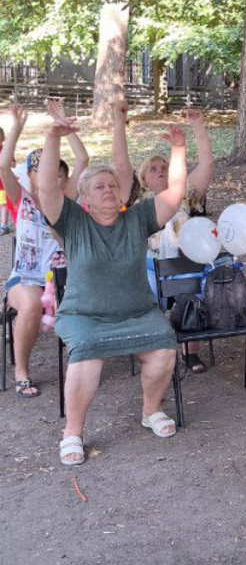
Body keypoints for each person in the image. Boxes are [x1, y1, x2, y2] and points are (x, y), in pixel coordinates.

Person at [37, 115, 188, 466]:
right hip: (84, 316)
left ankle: (151, 411)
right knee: (87, 355)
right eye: (99, 187)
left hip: (137, 313)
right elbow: (46, 190)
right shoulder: (73, 221)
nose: (108, 190)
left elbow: (175, 193)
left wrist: (178, 148)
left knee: (164, 348)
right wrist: (52, 137)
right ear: (84, 198)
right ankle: (72, 432)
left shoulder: (137, 218)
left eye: (112, 185)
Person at [112, 102, 215, 373]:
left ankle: (190, 352)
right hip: (149, 267)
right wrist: (119, 123)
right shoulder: (136, 200)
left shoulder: (185, 196)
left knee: (194, 287)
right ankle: (157, 352)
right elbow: (122, 165)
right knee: (144, 296)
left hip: (182, 264)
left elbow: (206, 163)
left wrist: (198, 126)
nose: (160, 171)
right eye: (153, 168)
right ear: (144, 178)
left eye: (164, 167)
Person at [0, 102, 89, 398]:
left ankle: (87, 364)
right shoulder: (20, 200)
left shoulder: (68, 200)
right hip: (25, 278)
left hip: (65, 280)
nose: (47, 172)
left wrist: (64, 125)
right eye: (37, 167)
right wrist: (16, 127)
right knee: (30, 303)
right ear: (30, 175)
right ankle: (21, 372)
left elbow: (83, 158)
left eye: (54, 168)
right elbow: (3, 166)